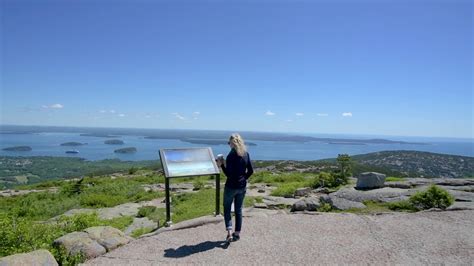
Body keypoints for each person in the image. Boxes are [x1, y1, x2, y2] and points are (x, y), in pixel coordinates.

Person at [216, 133, 253, 242]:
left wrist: (222, 164)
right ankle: (237, 233)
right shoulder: (246, 154)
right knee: (238, 210)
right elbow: (250, 171)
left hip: (231, 186)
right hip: (242, 187)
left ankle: (229, 233)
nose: (229, 145)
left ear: (232, 144)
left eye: (229, 143)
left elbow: (229, 174)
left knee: (227, 209)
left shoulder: (231, 156)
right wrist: (243, 179)